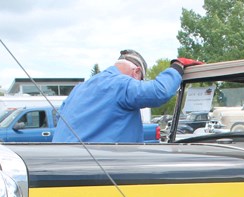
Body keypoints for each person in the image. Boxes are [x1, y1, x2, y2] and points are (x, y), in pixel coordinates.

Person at [53, 50, 202, 143]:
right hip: (98, 170)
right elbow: (158, 92)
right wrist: (177, 67)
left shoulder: (80, 89)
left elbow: (61, 118)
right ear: (136, 72)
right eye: (141, 80)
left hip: (64, 167)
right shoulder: (120, 84)